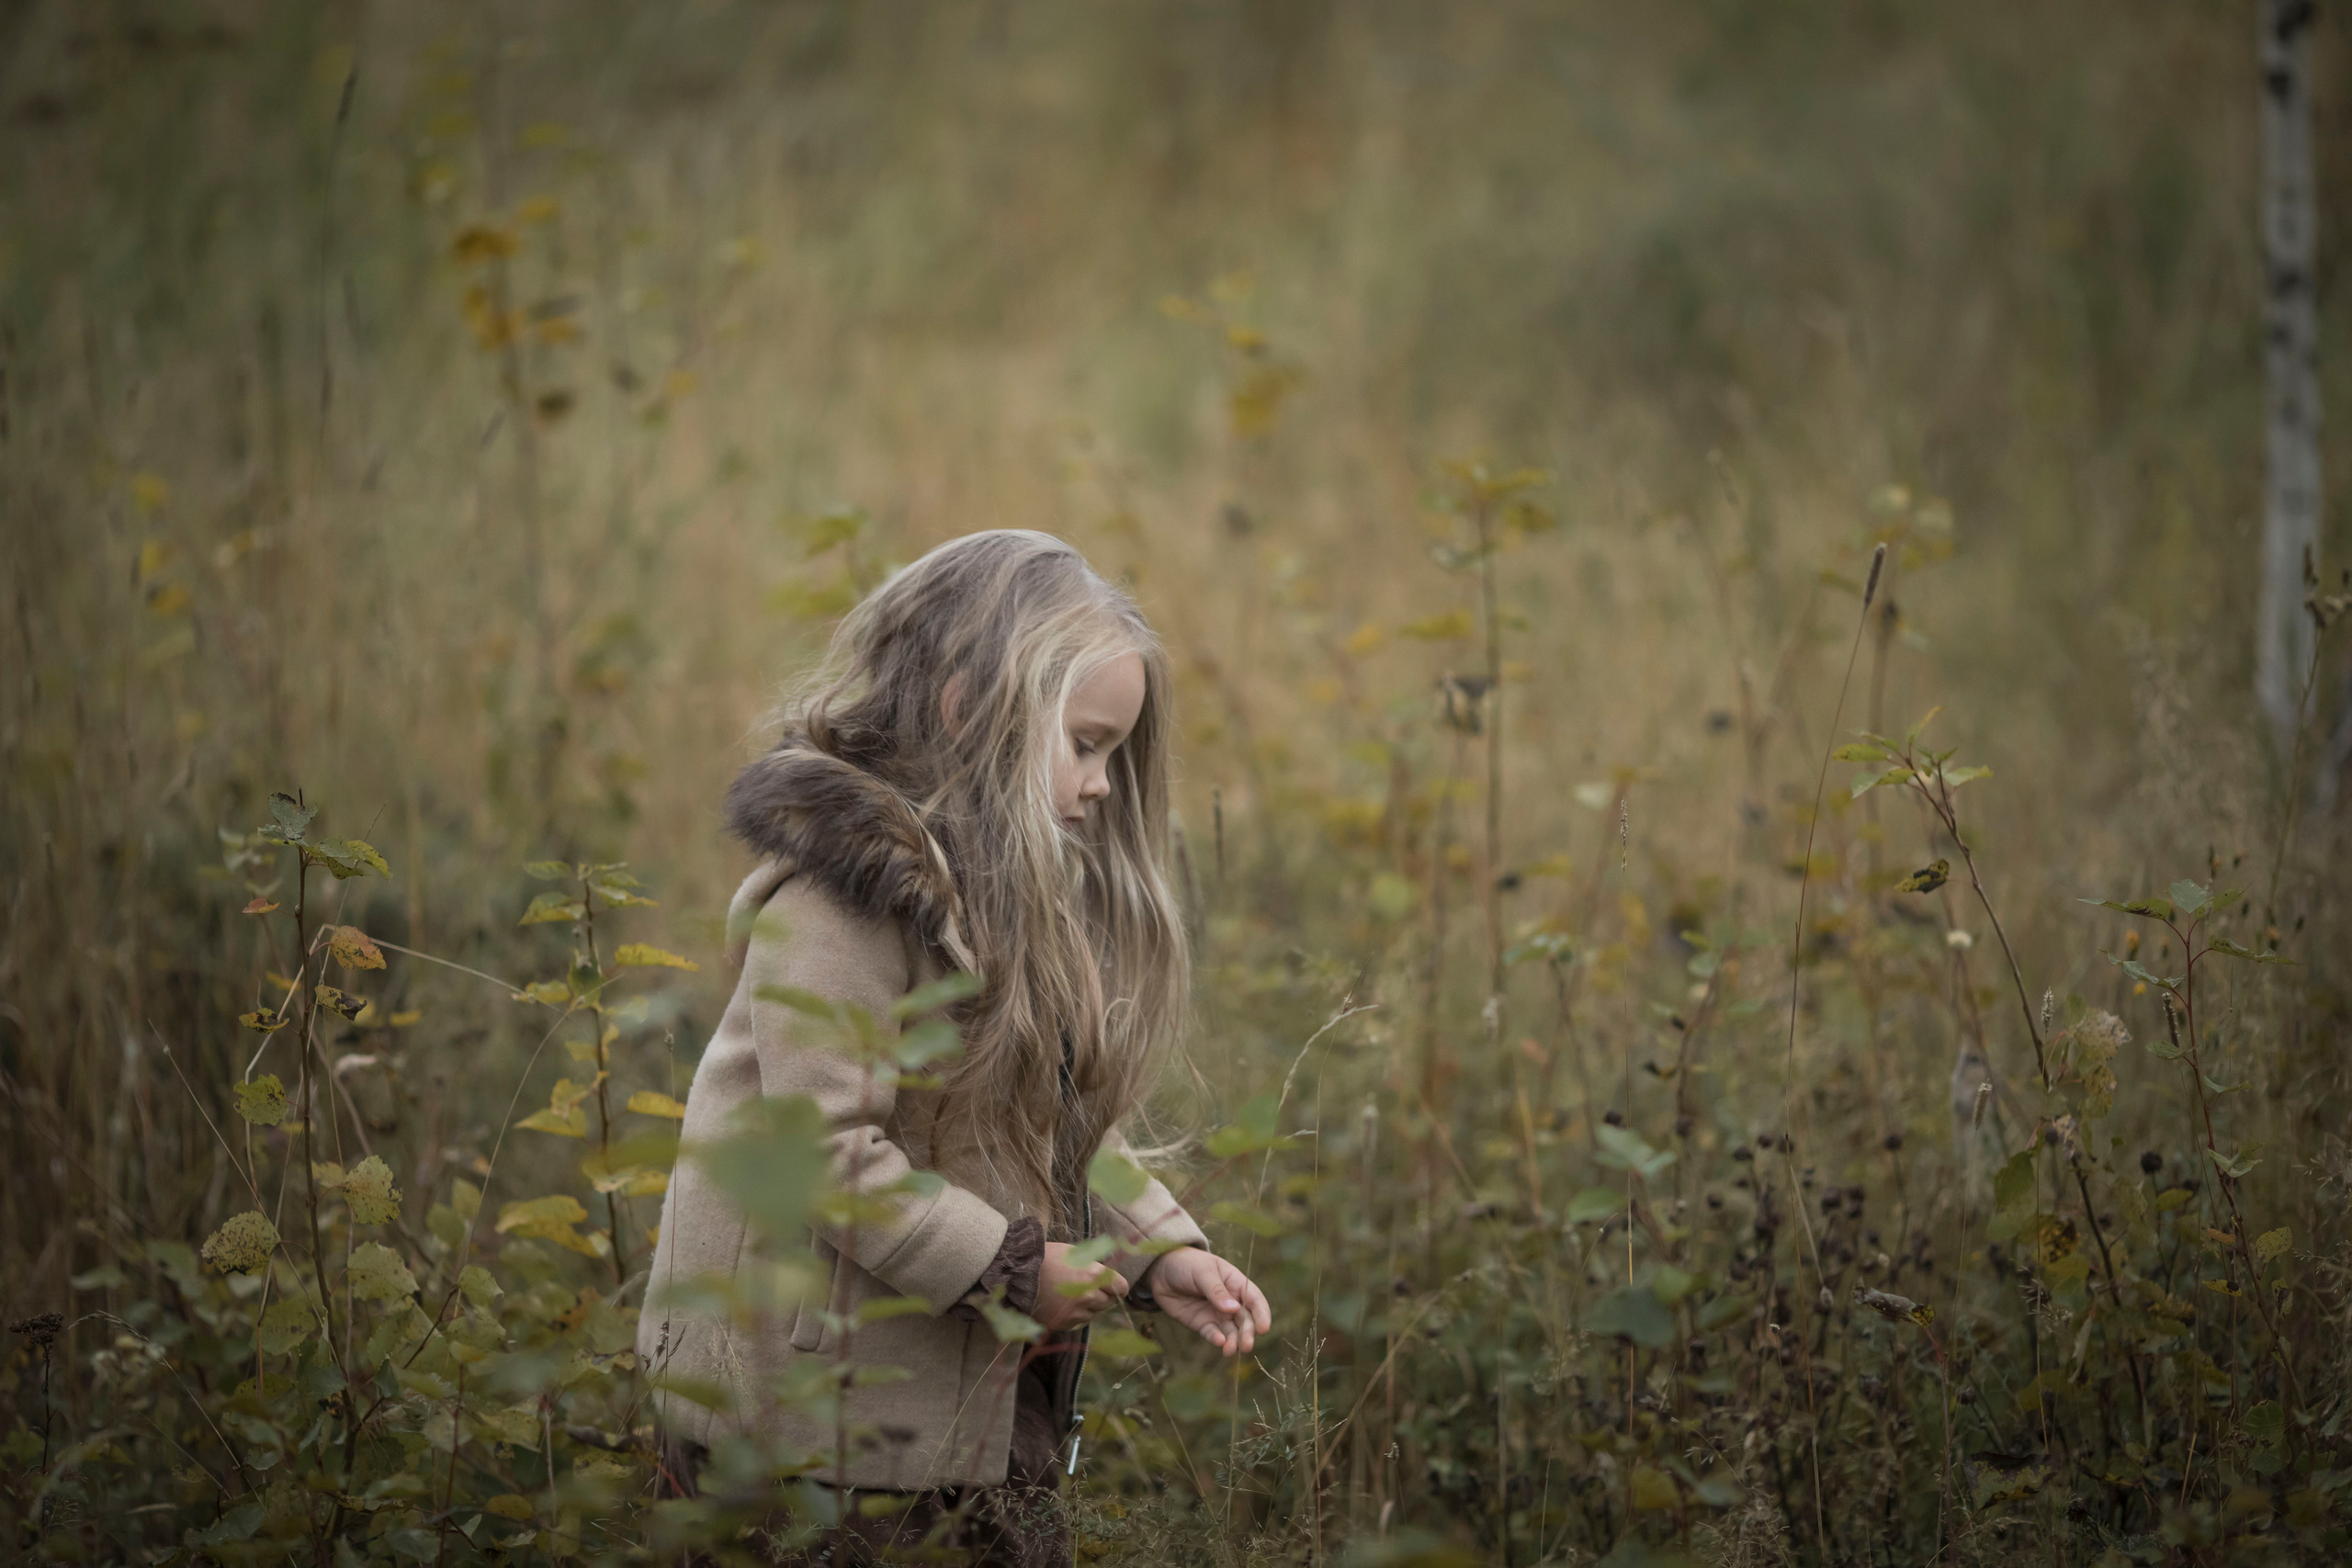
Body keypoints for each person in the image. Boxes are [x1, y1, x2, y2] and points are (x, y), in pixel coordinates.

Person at [638, 529, 1272, 1565]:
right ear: (967, 709)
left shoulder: (1020, 905)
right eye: (1083, 743)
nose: (1104, 784)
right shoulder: (838, 908)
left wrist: (1157, 1252)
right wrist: (1010, 1270)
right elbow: (817, 1149)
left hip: (952, 1395)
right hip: (813, 1434)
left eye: (1115, 750)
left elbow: (1043, 1123)